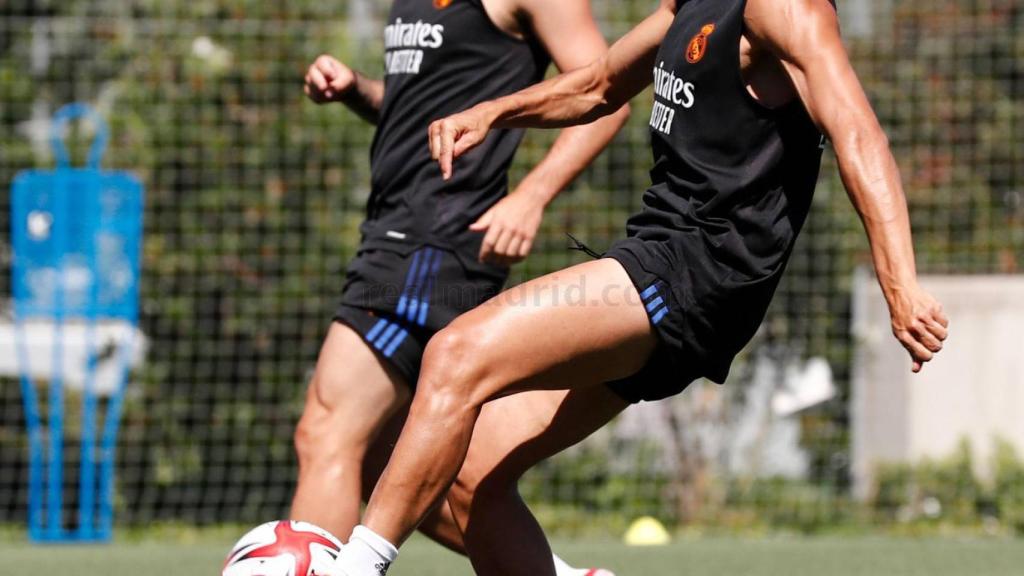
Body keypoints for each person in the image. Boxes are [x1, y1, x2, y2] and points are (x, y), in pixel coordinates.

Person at [329, 0, 951, 574]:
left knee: (455, 354)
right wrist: (495, 111)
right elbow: (597, 84)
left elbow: (860, 135)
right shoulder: (686, 7)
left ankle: (355, 566)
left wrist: (901, 287)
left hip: (698, 272)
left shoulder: (781, 7)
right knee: (470, 480)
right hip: (660, 263)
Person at [290, 0, 628, 574]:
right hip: (392, 231)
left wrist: (532, 195)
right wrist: (356, 89)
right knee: (384, 462)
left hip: (437, 239)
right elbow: (425, 116)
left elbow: (607, 94)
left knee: (328, 427)